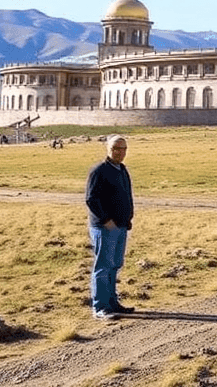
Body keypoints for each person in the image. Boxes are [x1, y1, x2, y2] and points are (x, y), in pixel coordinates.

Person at [85, 135, 134, 320]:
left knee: (115, 265)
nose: (120, 152)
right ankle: (100, 307)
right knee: (103, 266)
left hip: (121, 226)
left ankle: (112, 302)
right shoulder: (99, 170)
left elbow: (127, 195)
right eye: (116, 148)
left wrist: (128, 217)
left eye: (123, 149)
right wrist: (106, 220)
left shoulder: (122, 170)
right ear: (108, 149)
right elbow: (91, 199)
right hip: (105, 227)